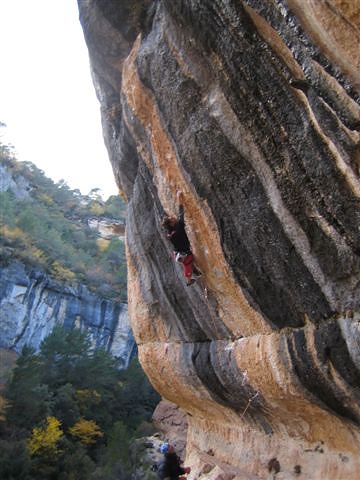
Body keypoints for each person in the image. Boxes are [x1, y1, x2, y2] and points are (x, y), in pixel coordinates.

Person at [162, 191, 201, 286]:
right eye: (172, 219)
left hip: (178, 253)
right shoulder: (178, 228)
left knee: (188, 262)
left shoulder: (170, 232)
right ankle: (189, 280)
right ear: (171, 223)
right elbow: (181, 213)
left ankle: (194, 272)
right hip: (184, 254)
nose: (174, 218)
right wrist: (179, 198)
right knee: (188, 263)